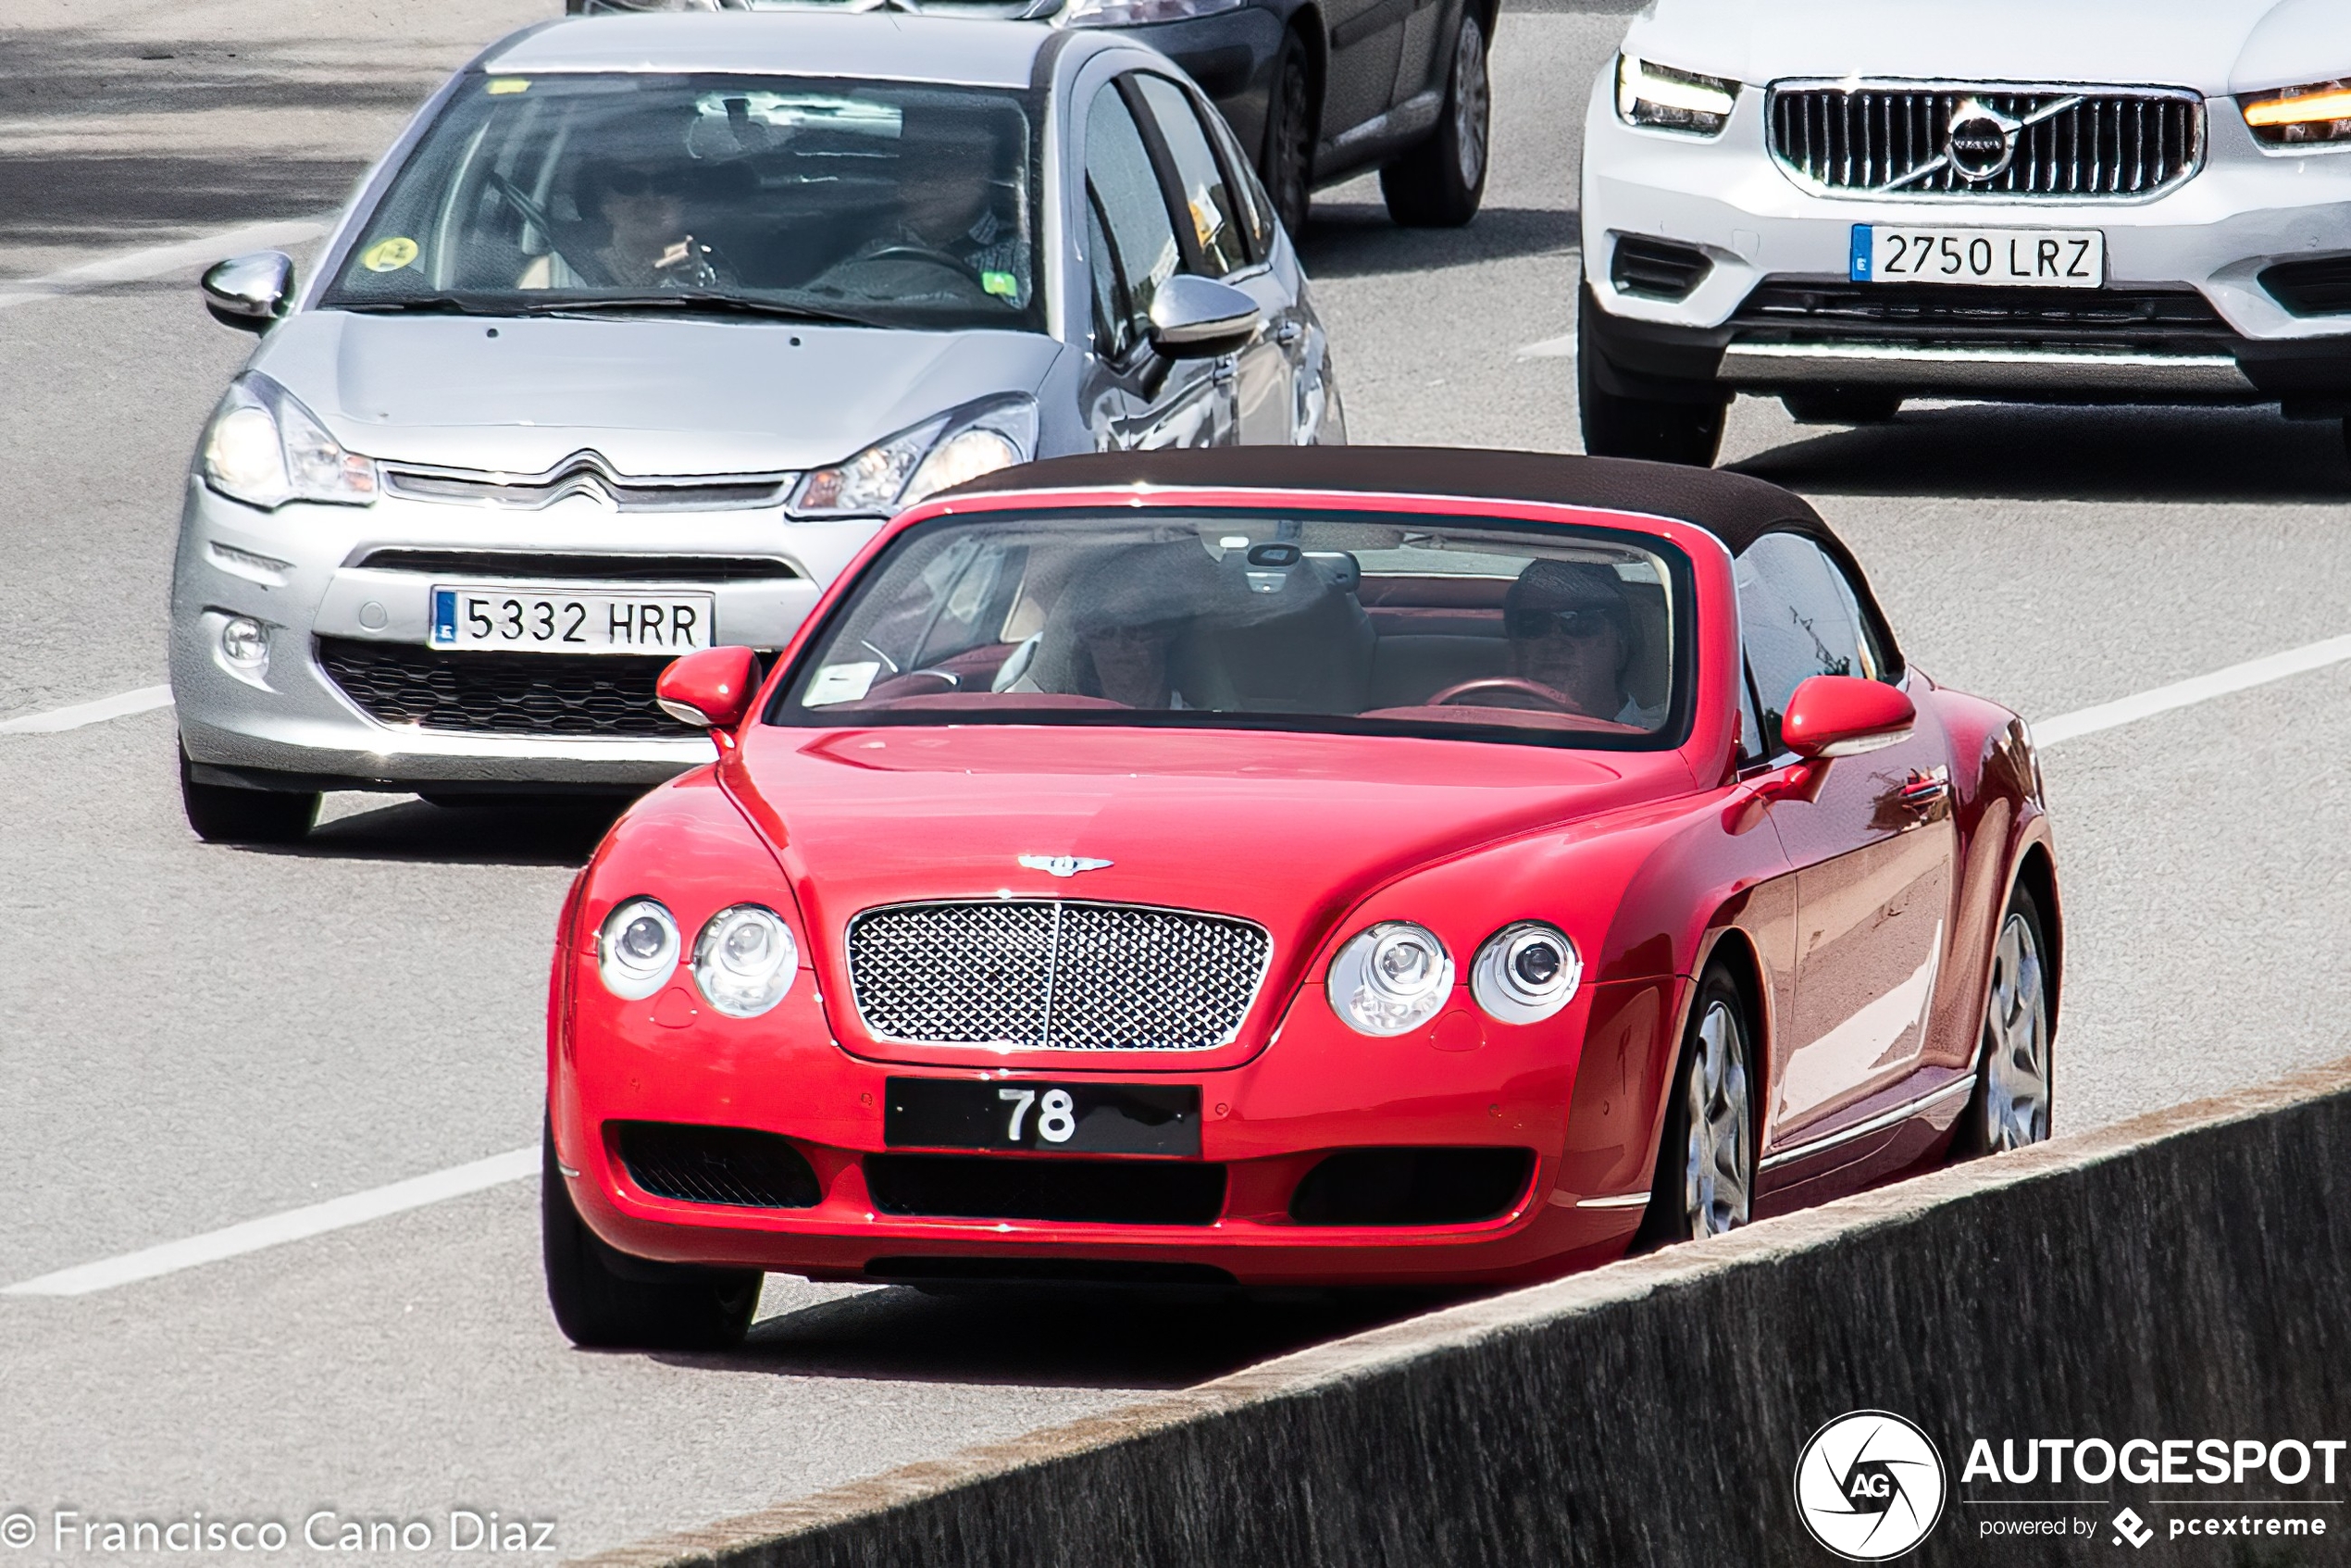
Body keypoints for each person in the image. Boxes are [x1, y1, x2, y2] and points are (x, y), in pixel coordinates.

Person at [517, 156, 724, 291]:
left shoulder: (717, 276)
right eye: (629, 185)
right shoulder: (554, 274)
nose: (649, 199)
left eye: (667, 185)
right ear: (603, 204)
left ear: (683, 205)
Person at [1501, 559, 1663, 727]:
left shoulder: (1668, 737)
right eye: (1533, 624)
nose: (1554, 643)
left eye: (1579, 622)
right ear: (1514, 649)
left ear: (1620, 647)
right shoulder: (1484, 731)